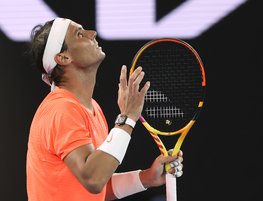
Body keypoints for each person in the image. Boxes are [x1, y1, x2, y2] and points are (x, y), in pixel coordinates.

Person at [25, 17, 184, 201]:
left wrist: (147, 178)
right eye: (79, 33)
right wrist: (127, 118)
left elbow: (96, 187)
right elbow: (93, 178)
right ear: (63, 57)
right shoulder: (61, 109)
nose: (92, 33)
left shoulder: (92, 108)